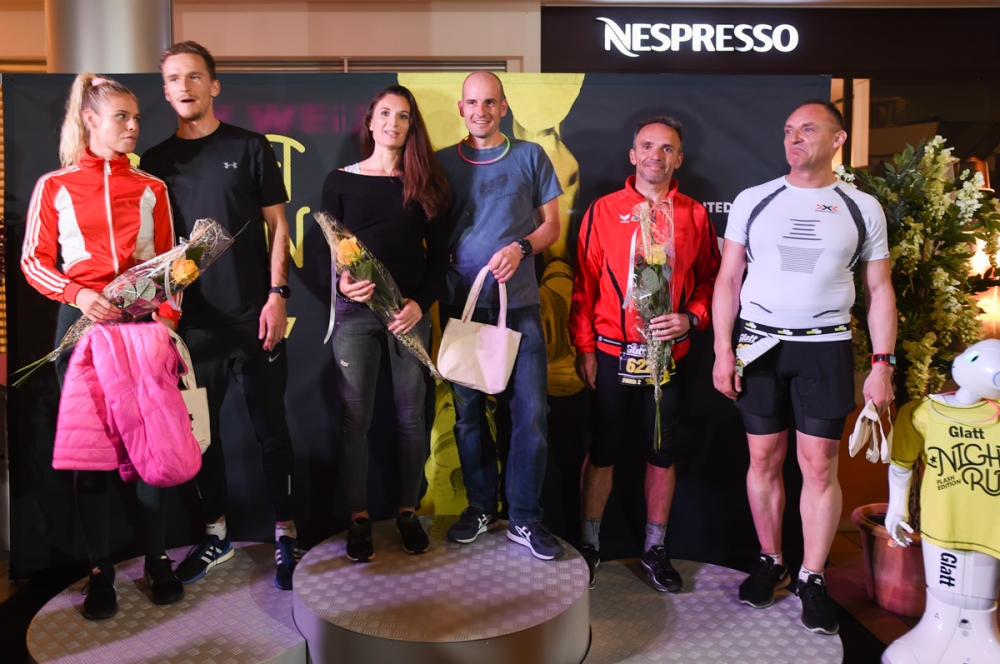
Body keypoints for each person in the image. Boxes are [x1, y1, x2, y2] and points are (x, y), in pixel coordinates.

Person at [712, 99, 897, 635]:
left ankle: (813, 577)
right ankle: (771, 561)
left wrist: (882, 364)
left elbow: (879, 289)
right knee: (763, 459)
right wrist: (723, 350)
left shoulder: (862, 207)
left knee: (818, 467)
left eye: (807, 129)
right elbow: (728, 279)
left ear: (837, 140)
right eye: (789, 130)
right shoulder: (754, 199)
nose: (794, 138)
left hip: (826, 347)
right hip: (759, 345)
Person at [21, 73, 183, 619]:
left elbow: (173, 267)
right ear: (90, 119)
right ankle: (100, 573)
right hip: (83, 327)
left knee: (151, 447)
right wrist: (79, 294)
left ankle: (157, 560)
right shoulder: (55, 185)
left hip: (141, 329)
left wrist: (166, 320)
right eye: (122, 117)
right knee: (92, 455)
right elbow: (33, 261)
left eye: (136, 117)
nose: (134, 126)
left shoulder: (152, 187)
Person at [141, 41, 299, 590]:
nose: (184, 87)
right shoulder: (155, 162)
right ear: (165, 91)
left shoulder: (250, 147)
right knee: (201, 440)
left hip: (255, 317)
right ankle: (216, 535)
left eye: (194, 76)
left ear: (214, 85)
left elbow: (279, 226)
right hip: (192, 328)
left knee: (272, 432)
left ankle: (286, 533)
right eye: (173, 79)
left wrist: (277, 294)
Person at [569, 117, 720, 590]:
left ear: (679, 159)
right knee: (603, 450)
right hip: (612, 352)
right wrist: (585, 348)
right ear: (633, 155)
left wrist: (692, 317)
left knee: (661, 452)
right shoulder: (603, 210)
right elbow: (584, 283)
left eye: (667, 148)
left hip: (668, 356)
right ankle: (589, 545)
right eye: (647, 146)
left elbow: (713, 279)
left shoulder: (694, 215)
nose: (656, 155)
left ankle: (655, 549)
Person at [436, 71, 564, 560]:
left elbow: (552, 226)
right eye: (472, 102)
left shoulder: (531, 156)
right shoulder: (442, 163)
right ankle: (480, 508)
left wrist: (521, 247)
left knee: (530, 416)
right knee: (468, 417)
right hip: (463, 307)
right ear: (461, 108)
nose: (481, 111)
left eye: (490, 102)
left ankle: (525, 518)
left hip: (522, 306)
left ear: (504, 107)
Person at [320, 85, 451, 562]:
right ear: (370, 122)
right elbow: (329, 253)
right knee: (354, 420)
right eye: (385, 114)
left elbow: (440, 260)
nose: (393, 123)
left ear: (411, 126)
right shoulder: (340, 181)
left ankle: (407, 512)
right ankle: (357, 518)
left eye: (403, 116)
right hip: (355, 316)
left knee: (412, 420)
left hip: (407, 317)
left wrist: (420, 304)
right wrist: (341, 285)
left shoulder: (426, 184)